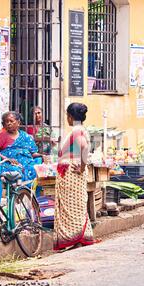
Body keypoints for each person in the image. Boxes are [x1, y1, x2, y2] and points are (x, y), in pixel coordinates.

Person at [54, 103, 95, 251]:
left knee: (71, 207)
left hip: (71, 173)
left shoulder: (77, 130)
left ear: (70, 117)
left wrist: (82, 167)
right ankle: (78, 239)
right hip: (74, 172)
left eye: (67, 116)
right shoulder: (81, 129)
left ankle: (75, 238)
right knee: (77, 206)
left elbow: (84, 147)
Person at [0, 111, 42, 181]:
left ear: (18, 123)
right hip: (9, 164)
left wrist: (42, 155)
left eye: (11, 121)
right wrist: (6, 158)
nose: (9, 123)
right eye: (6, 122)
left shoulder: (25, 136)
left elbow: (32, 153)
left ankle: (30, 191)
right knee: (14, 171)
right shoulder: (3, 136)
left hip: (26, 163)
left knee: (35, 170)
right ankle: (17, 190)